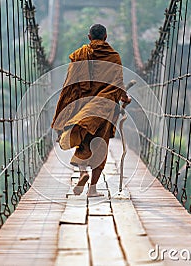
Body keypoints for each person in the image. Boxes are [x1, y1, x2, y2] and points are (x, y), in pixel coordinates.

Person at [51, 24, 131, 197]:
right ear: (106, 37)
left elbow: (70, 84)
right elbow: (118, 84)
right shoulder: (114, 57)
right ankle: (92, 189)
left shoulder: (81, 55)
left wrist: (66, 109)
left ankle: (82, 173)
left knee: (83, 141)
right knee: (100, 145)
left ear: (89, 37)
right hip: (105, 108)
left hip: (84, 108)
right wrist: (125, 97)